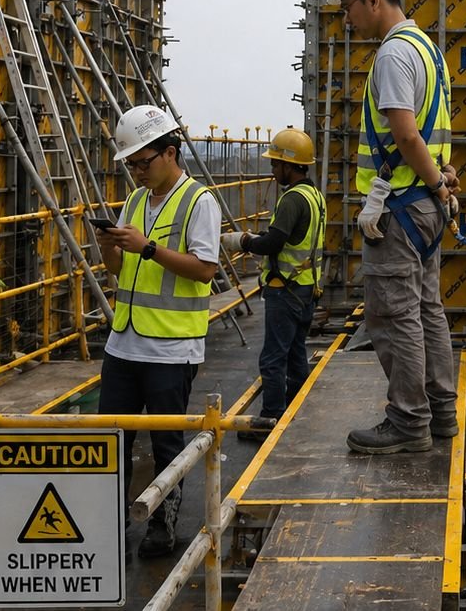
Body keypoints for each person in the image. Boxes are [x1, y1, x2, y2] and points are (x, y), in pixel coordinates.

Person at [328, 0, 459, 455]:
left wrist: (436, 185)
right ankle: (439, 412)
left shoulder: (391, 56)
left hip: (402, 207)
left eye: (348, 8)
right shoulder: (428, 50)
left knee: (394, 315)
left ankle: (408, 421)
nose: (346, 19)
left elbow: (405, 134)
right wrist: (441, 184)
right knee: (428, 310)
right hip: (425, 205)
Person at [96, 104, 220, 557]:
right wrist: (110, 248)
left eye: (142, 163)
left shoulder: (198, 201)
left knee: (167, 441)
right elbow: (118, 270)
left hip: (171, 348)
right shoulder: (133, 201)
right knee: (112, 436)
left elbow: (205, 269)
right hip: (124, 342)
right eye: (131, 165)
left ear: (170, 153)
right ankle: (106, 521)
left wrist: (148, 247)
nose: (137, 172)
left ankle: (162, 525)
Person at [220, 127, 326, 441]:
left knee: (273, 357)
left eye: (276, 163)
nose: (272, 168)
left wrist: (242, 241)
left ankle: (270, 418)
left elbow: (273, 243)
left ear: (290, 165)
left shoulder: (292, 199)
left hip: (286, 289)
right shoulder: (314, 195)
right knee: (295, 353)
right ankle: (296, 408)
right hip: (306, 288)